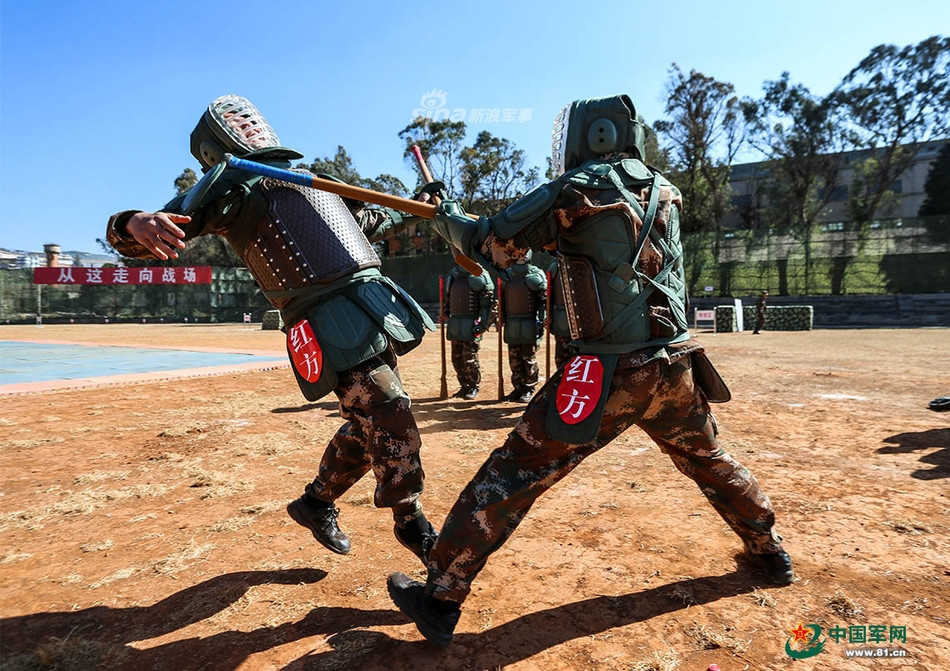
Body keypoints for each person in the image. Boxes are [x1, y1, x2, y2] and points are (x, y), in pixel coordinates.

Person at [387, 94, 794, 646]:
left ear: (590, 135)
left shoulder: (572, 191)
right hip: (675, 363)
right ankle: (769, 551)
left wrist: (445, 216)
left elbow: (494, 245)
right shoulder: (665, 189)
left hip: (609, 373)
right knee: (710, 460)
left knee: (512, 474)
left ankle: (439, 596)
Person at [105, 95, 438, 564]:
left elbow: (374, 218)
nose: (250, 125)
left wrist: (420, 205)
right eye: (237, 121)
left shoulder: (316, 181)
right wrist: (131, 221)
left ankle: (315, 503)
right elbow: (149, 233)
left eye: (250, 117)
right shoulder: (227, 187)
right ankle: (414, 525)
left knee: (369, 424)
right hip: (325, 321)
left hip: (369, 308)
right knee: (388, 413)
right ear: (214, 142)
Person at [500, 254, 547, 403]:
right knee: (514, 359)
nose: (520, 256)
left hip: (529, 323)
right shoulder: (507, 274)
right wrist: (500, 317)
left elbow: (543, 302)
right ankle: (518, 388)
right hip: (512, 323)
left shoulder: (536, 274)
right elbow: (502, 299)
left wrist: (541, 320)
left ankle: (528, 388)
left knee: (528, 358)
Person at [444, 262, 494, 400]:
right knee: (457, 358)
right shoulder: (454, 274)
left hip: (471, 323)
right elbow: (448, 298)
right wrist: (445, 312)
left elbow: (486, 304)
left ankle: (473, 386)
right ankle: (464, 386)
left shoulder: (480, 275)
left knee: (469, 358)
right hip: (456, 323)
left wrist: (483, 324)